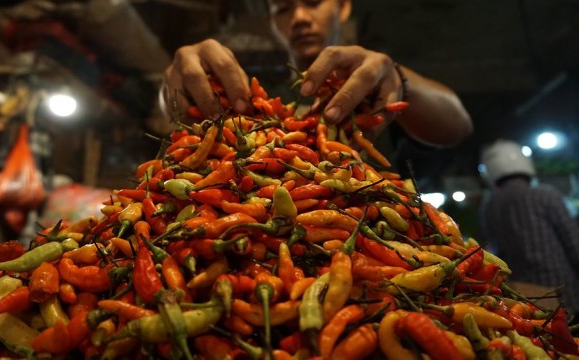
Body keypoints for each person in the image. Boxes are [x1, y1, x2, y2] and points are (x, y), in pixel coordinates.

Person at [161, 0, 472, 148]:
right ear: (272, 24)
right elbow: (172, 115)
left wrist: (398, 79)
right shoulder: (256, 89)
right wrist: (176, 85)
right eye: (283, 9)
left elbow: (457, 127)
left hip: (363, 231)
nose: (299, 18)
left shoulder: (372, 79)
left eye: (312, 3)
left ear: (343, 8)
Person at [479, 139, 579, 317]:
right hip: (566, 293)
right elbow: (574, 242)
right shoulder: (546, 195)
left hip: (525, 300)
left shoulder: (489, 208)